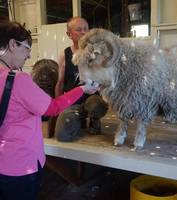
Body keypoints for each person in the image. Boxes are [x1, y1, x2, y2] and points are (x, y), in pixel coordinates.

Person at [0, 20, 98, 200]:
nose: (29, 56)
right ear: (13, 45)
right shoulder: (18, 80)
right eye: (27, 48)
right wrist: (82, 89)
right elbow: (51, 108)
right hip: (21, 165)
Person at [54, 16, 108, 142]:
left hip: (92, 100)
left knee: (97, 105)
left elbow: (104, 81)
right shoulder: (64, 54)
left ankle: (94, 119)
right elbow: (60, 83)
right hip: (72, 100)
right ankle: (80, 118)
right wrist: (57, 107)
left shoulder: (96, 53)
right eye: (79, 29)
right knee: (62, 135)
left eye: (86, 29)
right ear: (69, 34)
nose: (84, 32)